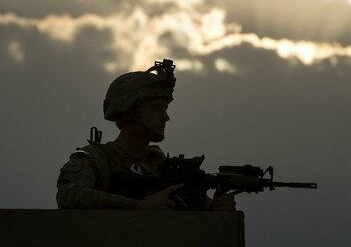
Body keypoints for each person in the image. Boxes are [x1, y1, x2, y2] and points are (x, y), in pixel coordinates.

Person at [56, 59, 235, 211]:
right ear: (128, 112)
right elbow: (69, 195)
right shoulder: (96, 160)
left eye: (165, 108)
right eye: (156, 108)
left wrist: (213, 208)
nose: (165, 117)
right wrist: (139, 206)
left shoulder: (159, 165)